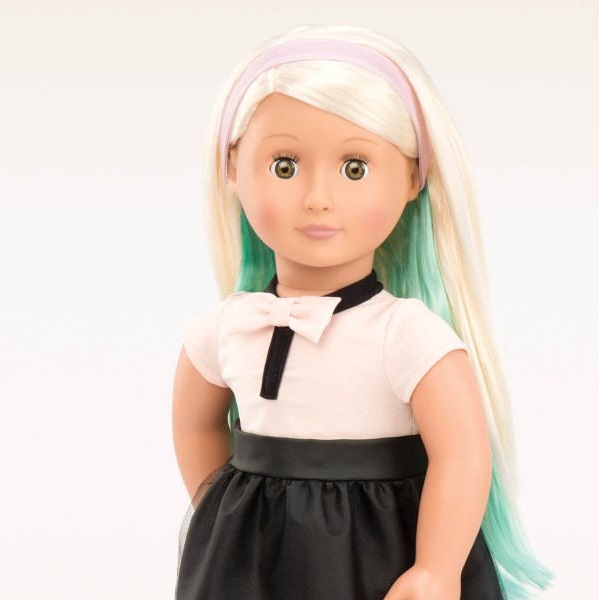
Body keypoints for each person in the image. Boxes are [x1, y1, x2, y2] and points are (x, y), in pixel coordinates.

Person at [171, 24, 553, 600]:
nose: (318, 198)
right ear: (231, 168)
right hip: (255, 565)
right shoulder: (229, 327)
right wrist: (225, 520)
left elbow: (462, 456)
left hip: (379, 553)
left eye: (355, 168)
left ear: (414, 177)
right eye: (284, 166)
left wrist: (436, 568)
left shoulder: (405, 335)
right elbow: (195, 424)